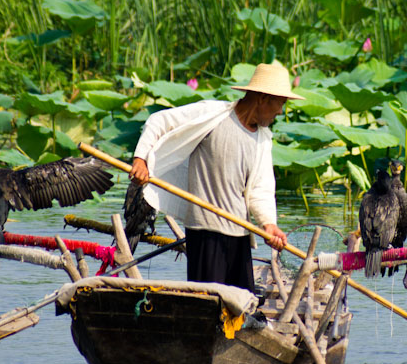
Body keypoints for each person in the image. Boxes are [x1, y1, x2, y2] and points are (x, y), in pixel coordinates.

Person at [128, 62, 303, 292]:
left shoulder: (262, 140)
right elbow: (159, 121)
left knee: (242, 304)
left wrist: (269, 224)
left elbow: (261, 189)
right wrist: (140, 158)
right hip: (205, 231)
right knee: (208, 303)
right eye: (280, 103)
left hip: (239, 233)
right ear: (262, 98)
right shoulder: (213, 116)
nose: (281, 111)